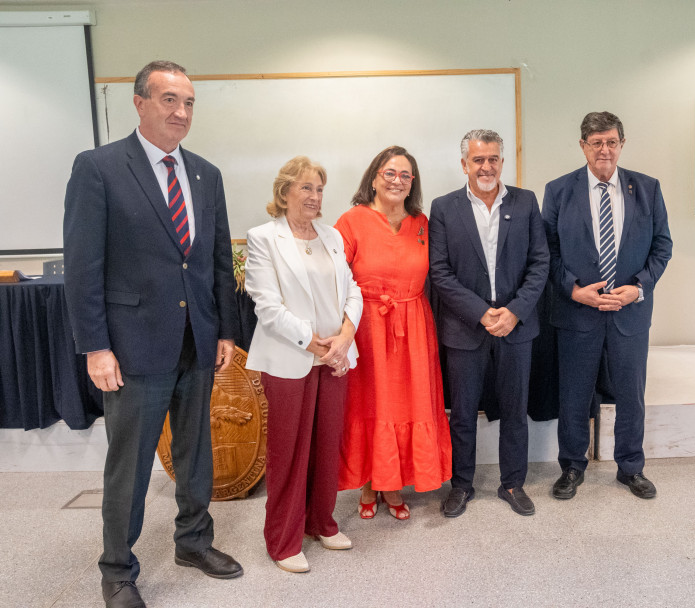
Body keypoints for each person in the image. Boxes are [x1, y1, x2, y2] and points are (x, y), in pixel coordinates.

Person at [63, 61, 242, 608]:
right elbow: (84, 267)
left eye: (188, 102)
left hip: (197, 341)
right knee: (131, 466)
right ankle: (117, 570)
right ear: (139, 103)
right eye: (169, 100)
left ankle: (193, 542)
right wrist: (96, 347)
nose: (181, 112)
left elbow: (216, 259)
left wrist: (225, 330)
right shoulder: (98, 168)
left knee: (195, 456)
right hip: (133, 346)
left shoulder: (206, 174)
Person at [541, 111, 672, 502]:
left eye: (611, 142)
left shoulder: (646, 188)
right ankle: (572, 467)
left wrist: (639, 288)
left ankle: (631, 468)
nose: (604, 150)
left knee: (631, 396)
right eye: (596, 142)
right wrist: (573, 290)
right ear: (583, 146)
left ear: (621, 144)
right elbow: (547, 251)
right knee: (574, 396)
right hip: (577, 314)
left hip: (629, 315)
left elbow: (662, 246)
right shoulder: (558, 191)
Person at [244, 156, 363, 573]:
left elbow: (353, 291)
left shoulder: (332, 236)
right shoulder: (263, 238)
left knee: (327, 444)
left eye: (319, 189)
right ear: (285, 192)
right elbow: (268, 307)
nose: (315, 196)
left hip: (334, 357)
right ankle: (283, 540)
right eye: (306, 188)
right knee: (289, 450)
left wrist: (344, 339)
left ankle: (320, 523)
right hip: (290, 358)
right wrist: (316, 344)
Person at [428, 129, 549, 517]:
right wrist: (481, 312)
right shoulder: (443, 207)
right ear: (464, 164)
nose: (486, 167)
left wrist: (514, 311)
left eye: (493, 159)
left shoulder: (525, 202)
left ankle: (513, 483)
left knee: (515, 410)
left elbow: (540, 263)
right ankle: (461, 485)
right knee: (463, 414)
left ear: (502, 162)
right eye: (478, 160)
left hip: (516, 326)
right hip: (466, 327)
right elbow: (440, 271)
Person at [335, 145, 452, 520]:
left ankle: (394, 483)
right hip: (366, 327)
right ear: (374, 178)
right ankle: (371, 482)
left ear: (412, 182)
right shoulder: (351, 221)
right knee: (371, 405)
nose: (397, 180)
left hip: (413, 327)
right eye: (389, 173)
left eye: (405, 175)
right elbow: (333, 278)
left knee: (407, 405)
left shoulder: (423, 224)